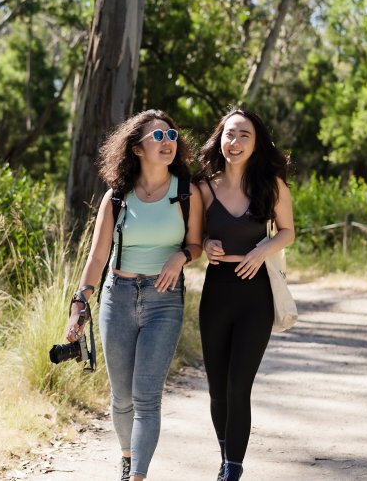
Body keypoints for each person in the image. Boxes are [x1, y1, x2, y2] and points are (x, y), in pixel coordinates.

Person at [65, 110, 204, 481]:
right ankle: (127, 457)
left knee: (146, 397)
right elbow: (97, 255)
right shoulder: (116, 197)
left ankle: (137, 476)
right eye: (158, 136)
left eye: (172, 135)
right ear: (137, 148)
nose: (168, 142)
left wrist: (182, 256)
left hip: (164, 300)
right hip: (118, 296)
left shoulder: (186, 193)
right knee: (121, 397)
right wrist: (80, 302)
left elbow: (196, 244)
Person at [196, 107, 295, 481]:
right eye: (229, 134)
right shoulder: (203, 186)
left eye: (244, 135)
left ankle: (232, 469)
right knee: (217, 389)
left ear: (256, 144)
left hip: (256, 294)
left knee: (239, 386)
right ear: (219, 138)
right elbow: (193, 237)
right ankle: (226, 456)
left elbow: (287, 231)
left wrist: (261, 250)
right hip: (217, 290)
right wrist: (206, 243)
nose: (234, 142)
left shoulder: (271, 185)